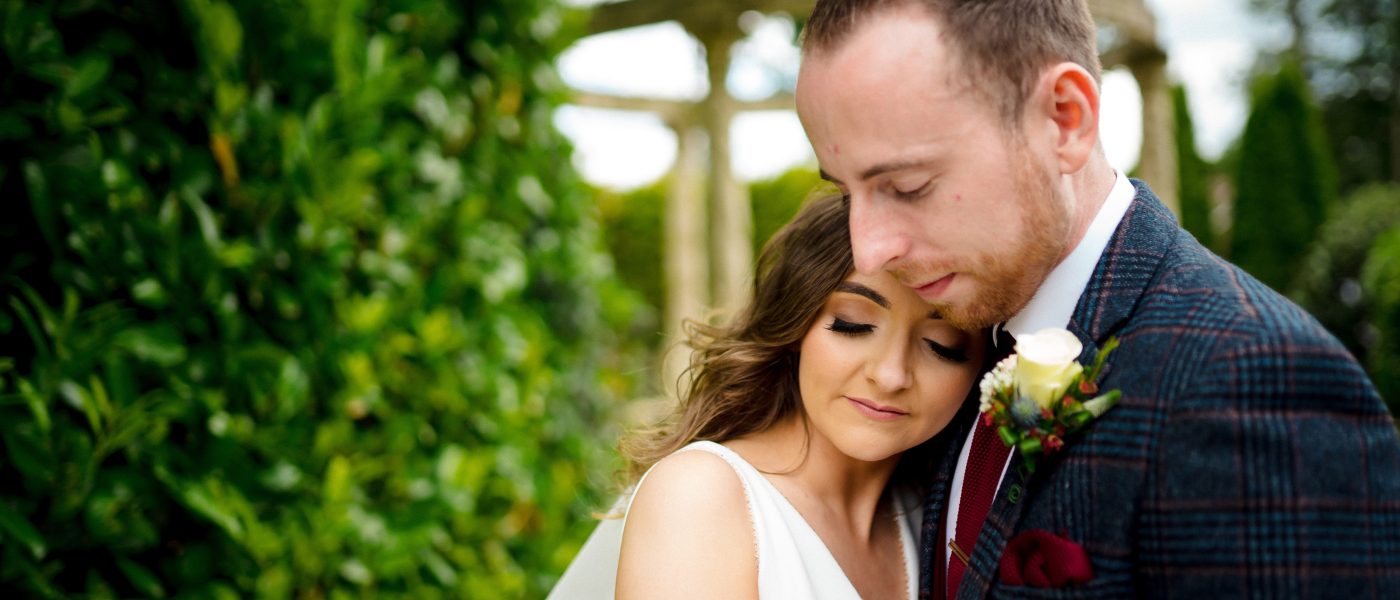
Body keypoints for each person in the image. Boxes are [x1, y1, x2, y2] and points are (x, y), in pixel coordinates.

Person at [794, 0, 1400, 598]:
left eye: (907, 186)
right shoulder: (972, 340)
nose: (869, 252)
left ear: (1065, 119)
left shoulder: (1250, 381)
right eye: (847, 193)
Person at [548, 193, 988, 599]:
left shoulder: (940, 518)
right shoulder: (701, 497)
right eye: (852, 324)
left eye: (941, 345)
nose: (891, 375)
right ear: (797, 325)